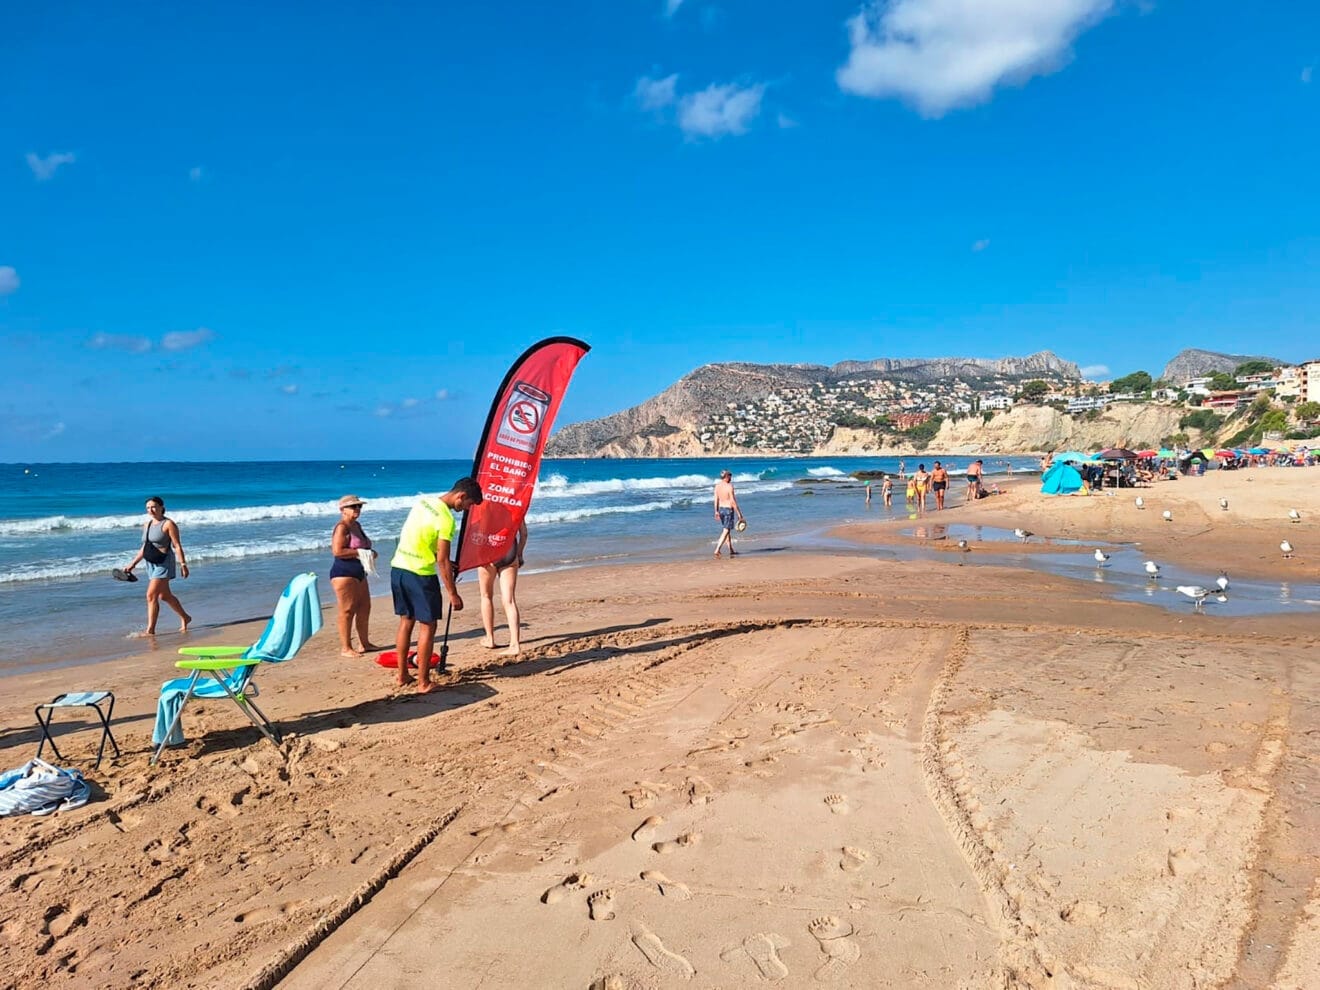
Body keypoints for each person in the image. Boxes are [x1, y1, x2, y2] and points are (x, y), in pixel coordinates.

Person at [390, 477, 483, 692]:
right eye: (468, 505)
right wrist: (453, 593)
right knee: (428, 626)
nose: (465, 510)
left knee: (406, 621)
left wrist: (438, 556)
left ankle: (402, 675)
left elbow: (415, 537)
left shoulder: (423, 503)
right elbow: (442, 560)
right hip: (421, 575)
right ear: (461, 496)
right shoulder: (446, 519)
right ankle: (423, 682)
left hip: (399, 568)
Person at [122, 496, 191, 635]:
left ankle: (150, 630)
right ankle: (186, 617)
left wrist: (183, 564)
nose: (151, 510)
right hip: (151, 562)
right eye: (148, 507)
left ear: (161, 507)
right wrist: (133, 564)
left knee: (151, 595)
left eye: (153, 507)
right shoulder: (146, 525)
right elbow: (145, 547)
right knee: (164, 596)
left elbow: (177, 545)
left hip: (164, 562)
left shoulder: (168, 524)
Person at [330, 495, 382, 658]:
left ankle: (364, 643)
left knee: (364, 607)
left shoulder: (356, 525)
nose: (357, 510)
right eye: (353, 507)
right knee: (347, 610)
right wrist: (362, 553)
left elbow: (364, 546)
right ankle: (346, 647)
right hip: (344, 573)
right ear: (342, 510)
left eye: (359, 506)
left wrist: (370, 553)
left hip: (360, 572)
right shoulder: (342, 527)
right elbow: (338, 551)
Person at [479, 520, 527, 656]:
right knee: (509, 600)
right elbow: (524, 534)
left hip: (488, 553)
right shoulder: (514, 507)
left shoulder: (486, 508)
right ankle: (515, 644)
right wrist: (519, 554)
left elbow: (476, 534)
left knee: (486, 596)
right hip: (509, 551)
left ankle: (490, 638)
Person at [713, 469, 745, 558]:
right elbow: (733, 501)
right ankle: (717, 549)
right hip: (728, 510)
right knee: (726, 530)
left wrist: (716, 511)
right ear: (726, 476)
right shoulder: (729, 486)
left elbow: (716, 499)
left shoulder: (717, 486)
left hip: (721, 509)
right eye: (730, 475)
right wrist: (739, 515)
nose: (731, 477)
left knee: (727, 530)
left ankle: (731, 549)